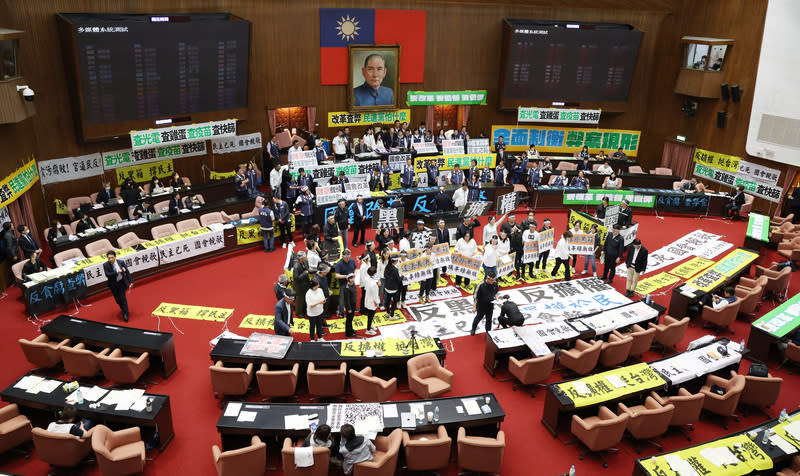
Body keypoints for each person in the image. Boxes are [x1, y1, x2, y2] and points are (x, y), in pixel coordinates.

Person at [103, 250, 132, 321]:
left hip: (122, 283)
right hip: (113, 284)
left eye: (112, 257)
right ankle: (122, 308)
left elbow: (127, 272)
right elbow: (108, 275)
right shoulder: (105, 265)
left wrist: (131, 281)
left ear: (115, 257)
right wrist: (116, 272)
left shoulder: (121, 262)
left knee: (122, 298)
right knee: (117, 299)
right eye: (109, 258)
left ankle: (125, 313)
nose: (110, 259)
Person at [335, 249, 357, 317]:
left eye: (349, 257)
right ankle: (341, 311)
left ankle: (353, 307)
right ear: (343, 257)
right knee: (342, 298)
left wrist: (355, 274)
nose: (348, 259)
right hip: (343, 284)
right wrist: (346, 276)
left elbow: (355, 268)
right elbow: (337, 275)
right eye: (346, 258)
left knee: (353, 296)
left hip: (352, 282)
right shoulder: (339, 264)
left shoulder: (352, 260)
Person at [293, 251, 311, 318]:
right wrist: (305, 273)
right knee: (300, 299)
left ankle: (303, 309)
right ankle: (298, 312)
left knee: (304, 298)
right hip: (299, 286)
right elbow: (296, 278)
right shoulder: (296, 266)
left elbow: (307, 268)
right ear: (301, 258)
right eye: (305, 257)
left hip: (305, 284)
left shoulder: (305, 262)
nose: (306, 257)